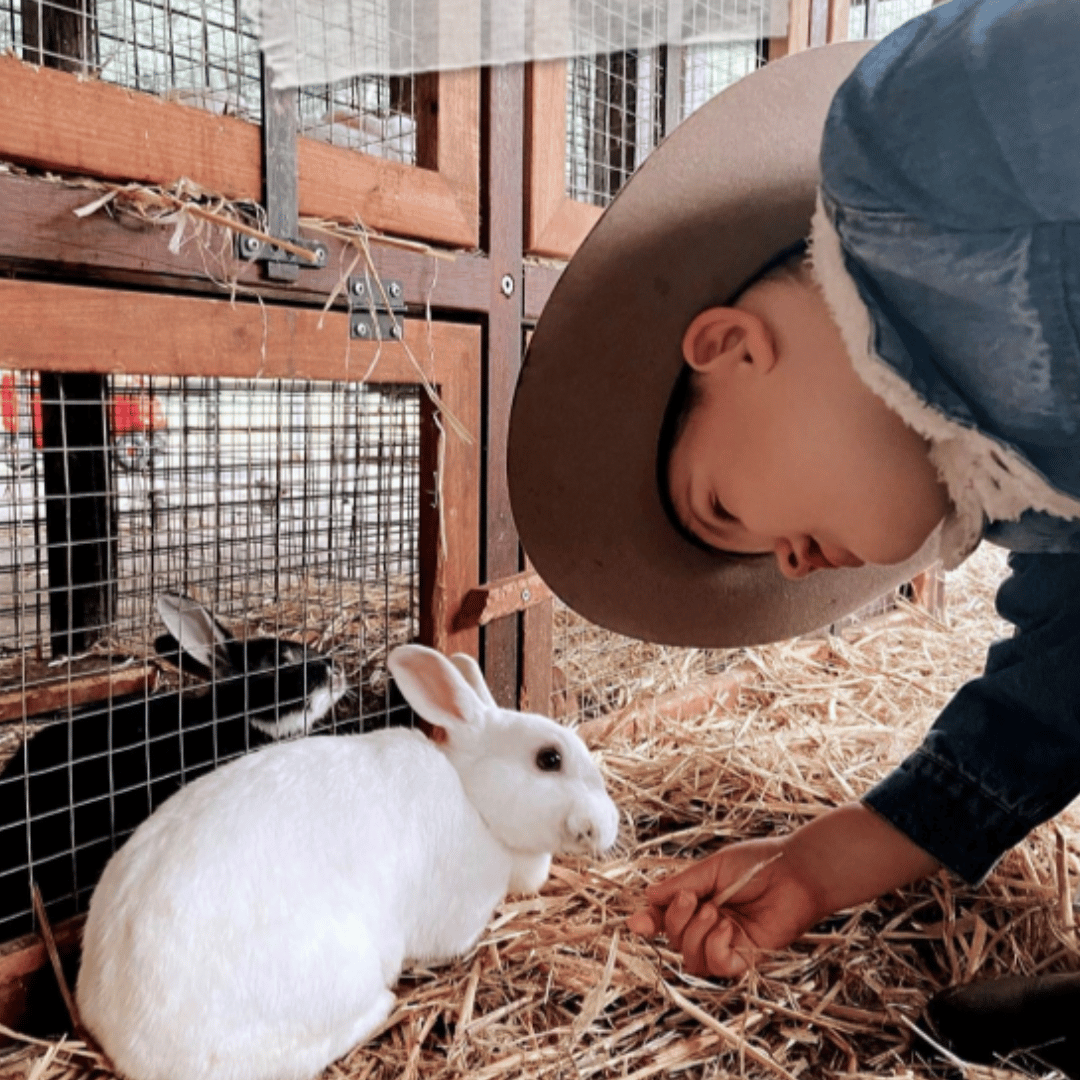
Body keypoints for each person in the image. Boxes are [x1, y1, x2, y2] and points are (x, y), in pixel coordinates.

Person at [506, 0, 1080, 1072]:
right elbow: (1057, 694)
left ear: (729, 346)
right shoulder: (1039, 508)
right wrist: (816, 869)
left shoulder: (906, 156)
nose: (791, 562)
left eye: (721, 507)